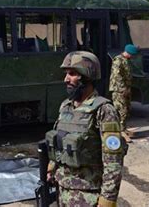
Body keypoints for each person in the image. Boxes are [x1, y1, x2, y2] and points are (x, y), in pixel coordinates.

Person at [46, 51, 126, 207]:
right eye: (66, 74)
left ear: (87, 76)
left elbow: (113, 161)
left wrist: (108, 199)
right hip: (63, 190)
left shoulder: (104, 110)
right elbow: (59, 141)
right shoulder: (66, 106)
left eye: (72, 74)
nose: (66, 79)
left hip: (88, 195)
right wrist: (52, 167)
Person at [109, 44, 138, 143]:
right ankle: (120, 132)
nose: (132, 57)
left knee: (127, 109)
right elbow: (117, 76)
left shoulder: (126, 60)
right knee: (121, 110)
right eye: (132, 55)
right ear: (128, 53)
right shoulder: (118, 60)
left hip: (126, 89)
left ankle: (123, 128)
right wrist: (123, 89)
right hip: (119, 90)